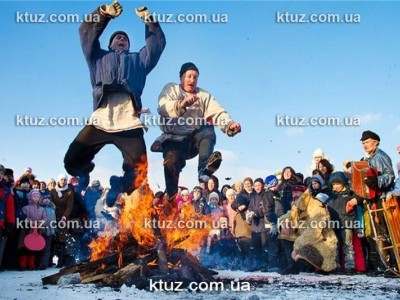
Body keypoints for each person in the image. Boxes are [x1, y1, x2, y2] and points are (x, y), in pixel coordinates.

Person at [64, 1, 166, 201]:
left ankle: (118, 185)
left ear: (128, 45)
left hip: (128, 124)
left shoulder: (139, 61)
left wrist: (150, 21)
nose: (121, 39)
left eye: (125, 39)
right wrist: (103, 14)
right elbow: (85, 32)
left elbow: (157, 47)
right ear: (110, 44)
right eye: (118, 37)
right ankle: (86, 170)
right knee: (71, 162)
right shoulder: (97, 57)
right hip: (101, 120)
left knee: (139, 173)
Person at [151, 62, 241, 201]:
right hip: (174, 140)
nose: (192, 80)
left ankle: (204, 170)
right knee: (171, 160)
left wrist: (229, 125)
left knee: (207, 128)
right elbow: (163, 107)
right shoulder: (171, 89)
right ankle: (171, 195)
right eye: (189, 76)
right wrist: (181, 104)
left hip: (193, 142)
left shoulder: (203, 95)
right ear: (181, 77)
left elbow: (217, 112)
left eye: (195, 77)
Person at [346, 130, 396, 276]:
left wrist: (378, 181)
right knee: (372, 234)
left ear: (376, 142)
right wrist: (358, 197)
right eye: (363, 143)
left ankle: (391, 265)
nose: (364, 145)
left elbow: (390, 175)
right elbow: (361, 183)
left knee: (384, 233)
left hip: (381, 199)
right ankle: (378, 265)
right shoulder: (364, 159)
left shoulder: (381, 156)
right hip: (369, 200)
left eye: (367, 142)